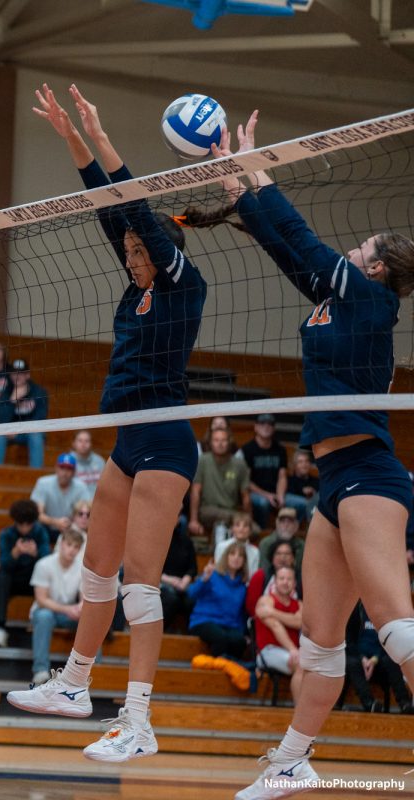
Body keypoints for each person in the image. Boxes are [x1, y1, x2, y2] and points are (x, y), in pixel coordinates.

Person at [203, 115, 414, 798]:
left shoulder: (371, 297)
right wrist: (238, 184)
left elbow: (298, 236)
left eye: (362, 246)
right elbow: (287, 250)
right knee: (322, 644)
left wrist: (260, 167)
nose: (351, 250)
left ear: (378, 266)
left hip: (371, 478)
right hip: (334, 483)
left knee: (398, 635)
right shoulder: (335, 301)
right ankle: (292, 761)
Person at [7, 84, 212, 763]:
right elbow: (106, 204)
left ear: (160, 249)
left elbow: (132, 204)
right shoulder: (138, 286)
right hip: (129, 442)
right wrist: (70, 136)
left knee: (140, 584)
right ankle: (72, 685)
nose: (128, 255)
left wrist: (100, 132)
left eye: (137, 249)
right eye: (126, 252)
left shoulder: (183, 282)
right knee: (98, 570)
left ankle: (140, 720)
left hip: (166, 444)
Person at [27, 528, 86, 686]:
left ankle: (92, 670)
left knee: (89, 619)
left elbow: (83, 598)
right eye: (69, 545)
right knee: (43, 616)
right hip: (47, 610)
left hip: (68, 612)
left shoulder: (82, 568)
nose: (72, 550)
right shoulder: (44, 564)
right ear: (61, 544)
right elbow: (41, 600)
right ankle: (41, 670)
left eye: (76, 547)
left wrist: (80, 608)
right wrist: (69, 609)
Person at [0, 499, 51, 648]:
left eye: (28, 524)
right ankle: (0, 628)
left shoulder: (40, 532)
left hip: (33, 580)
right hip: (14, 579)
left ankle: (36, 622)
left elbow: (48, 563)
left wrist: (35, 554)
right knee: (2, 579)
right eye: (21, 524)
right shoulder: (7, 534)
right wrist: (15, 553)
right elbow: (4, 565)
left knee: (45, 579)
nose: (24, 528)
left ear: (33, 522)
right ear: (15, 521)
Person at [344, 602, 412, 714]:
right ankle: (370, 704)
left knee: (391, 661)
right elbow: (349, 641)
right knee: (350, 663)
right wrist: (362, 658)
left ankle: (405, 703)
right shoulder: (356, 610)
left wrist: (375, 659)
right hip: (360, 660)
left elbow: (390, 641)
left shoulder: (385, 611)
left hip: (380, 659)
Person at [187, 541, 250, 659]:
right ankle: (216, 671)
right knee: (220, 637)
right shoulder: (212, 575)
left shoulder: (242, 586)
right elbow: (191, 593)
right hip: (204, 621)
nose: (236, 558)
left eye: (240, 555)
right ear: (226, 557)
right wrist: (204, 579)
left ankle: (230, 668)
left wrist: (243, 633)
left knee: (239, 641)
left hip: (229, 625)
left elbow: (241, 614)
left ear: (244, 561)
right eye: (232, 554)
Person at [188, 427, 251, 544]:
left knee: (254, 530)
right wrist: (193, 520)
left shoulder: (239, 463)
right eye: (216, 440)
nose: (220, 444)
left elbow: (246, 496)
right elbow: (195, 491)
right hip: (207, 510)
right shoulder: (202, 460)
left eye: (223, 440)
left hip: (230, 510)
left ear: (229, 442)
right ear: (211, 442)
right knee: (238, 522)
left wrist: (248, 519)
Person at [254, 564, 304, 700]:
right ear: (275, 581)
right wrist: (293, 649)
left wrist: (273, 612)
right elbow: (276, 626)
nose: (285, 582)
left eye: (289, 579)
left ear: (294, 583)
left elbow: (300, 622)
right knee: (301, 664)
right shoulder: (265, 601)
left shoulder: (299, 604)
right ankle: (300, 715)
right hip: (268, 651)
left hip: (292, 652)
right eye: (281, 578)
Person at [0, 359, 49, 468]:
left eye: (21, 373)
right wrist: (13, 400)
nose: (17, 376)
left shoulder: (39, 392)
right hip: (8, 431)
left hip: (29, 431)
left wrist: (19, 430)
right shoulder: (6, 392)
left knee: (36, 436)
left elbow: (39, 418)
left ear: (28, 375)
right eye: (14, 373)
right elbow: (2, 420)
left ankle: (35, 475)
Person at [238, 414, 288, 530]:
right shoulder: (247, 449)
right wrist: (267, 495)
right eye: (262, 424)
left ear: (274, 428)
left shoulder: (280, 449)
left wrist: (280, 496)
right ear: (255, 427)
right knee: (263, 503)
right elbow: (246, 481)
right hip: (256, 493)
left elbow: (282, 476)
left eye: (270, 424)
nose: (266, 427)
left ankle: (288, 534)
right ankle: (262, 533)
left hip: (276, 493)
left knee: (299, 504)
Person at [30, 454, 91, 540]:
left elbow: (87, 511)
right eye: (62, 468)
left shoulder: (81, 487)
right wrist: (55, 522)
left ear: (74, 472)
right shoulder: (43, 483)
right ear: (56, 468)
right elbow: (38, 514)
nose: (65, 473)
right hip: (47, 527)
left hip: (72, 528)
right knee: (36, 527)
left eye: (69, 469)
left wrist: (70, 524)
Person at [159, 522, 197, 632]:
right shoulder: (156, 539)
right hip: (160, 582)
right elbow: (148, 567)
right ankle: (159, 631)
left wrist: (186, 579)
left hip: (182, 584)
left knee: (192, 600)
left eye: (178, 514)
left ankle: (189, 636)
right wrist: (168, 579)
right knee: (172, 600)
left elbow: (193, 567)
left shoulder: (186, 540)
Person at [246, 539, 299, 617]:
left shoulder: (300, 577)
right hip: (263, 622)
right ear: (272, 557)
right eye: (278, 553)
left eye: (287, 554)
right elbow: (251, 607)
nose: (283, 557)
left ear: (293, 558)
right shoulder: (260, 575)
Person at [257, 507, 305, 572]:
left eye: (290, 522)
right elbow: (264, 571)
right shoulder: (265, 543)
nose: (286, 525)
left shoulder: (301, 545)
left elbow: (300, 570)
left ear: (296, 526)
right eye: (282, 521)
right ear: (277, 524)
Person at [213, 512, 260, 577]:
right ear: (232, 528)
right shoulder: (221, 546)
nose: (241, 529)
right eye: (237, 525)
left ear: (250, 530)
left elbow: (253, 575)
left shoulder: (255, 551)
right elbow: (218, 570)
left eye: (245, 526)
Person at [283, 449, 319, 524]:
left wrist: (313, 493)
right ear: (295, 465)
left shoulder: (316, 481)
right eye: (300, 462)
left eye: (306, 461)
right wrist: (303, 492)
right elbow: (288, 499)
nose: (304, 464)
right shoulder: (289, 480)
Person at [70, 430, 105, 495]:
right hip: (77, 503)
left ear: (91, 444)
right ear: (74, 443)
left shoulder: (99, 461)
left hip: (97, 502)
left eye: (87, 441)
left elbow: (105, 485)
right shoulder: (67, 462)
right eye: (80, 441)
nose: (83, 444)